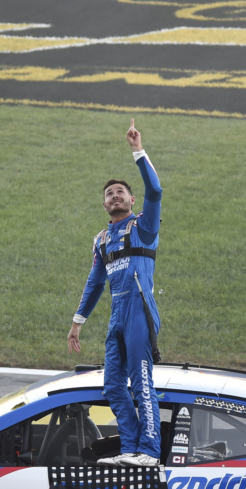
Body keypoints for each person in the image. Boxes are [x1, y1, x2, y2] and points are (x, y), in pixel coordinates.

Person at [68, 119, 163, 467]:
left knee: (141, 382)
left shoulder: (144, 226)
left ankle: (149, 452)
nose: (115, 196)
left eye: (120, 192)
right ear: (105, 205)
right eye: (109, 194)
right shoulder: (101, 240)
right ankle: (130, 448)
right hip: (117, 315)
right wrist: (77, 322)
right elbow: (95, 282)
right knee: (112, 385)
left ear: (131, 199)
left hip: (139, 308)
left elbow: (156, 191)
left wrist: (137, 150)